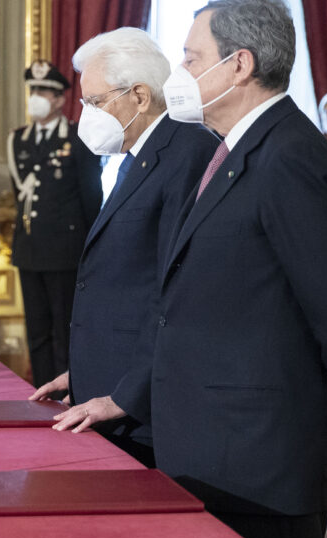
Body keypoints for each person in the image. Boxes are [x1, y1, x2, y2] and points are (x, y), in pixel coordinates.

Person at [52, 0, 327, 538]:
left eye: (191, 56)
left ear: (239, 65)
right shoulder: (235, 151)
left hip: (265, 458)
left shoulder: (289, 154)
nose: (179, 71)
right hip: (218, 446)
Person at [29, 28, 218, 467]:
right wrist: (89, 370)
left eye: (94, 102)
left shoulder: (187, 155)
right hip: (114, 387)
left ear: (139, 96)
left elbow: (174, 296)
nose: (86, 115)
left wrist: (125, 394)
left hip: (146, 408)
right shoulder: (139, 156)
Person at [6, 60, 101, 388]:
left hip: (65, 251)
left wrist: (92, 249)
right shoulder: (18, 139)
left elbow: (91, 196)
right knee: (37, 330)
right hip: (29, 249)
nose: (37, 97)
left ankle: (67, 390)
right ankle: (41, 390)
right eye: (34, 91)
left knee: (64, 329)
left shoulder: (78, 137)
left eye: (45, 92)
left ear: (60, 99)